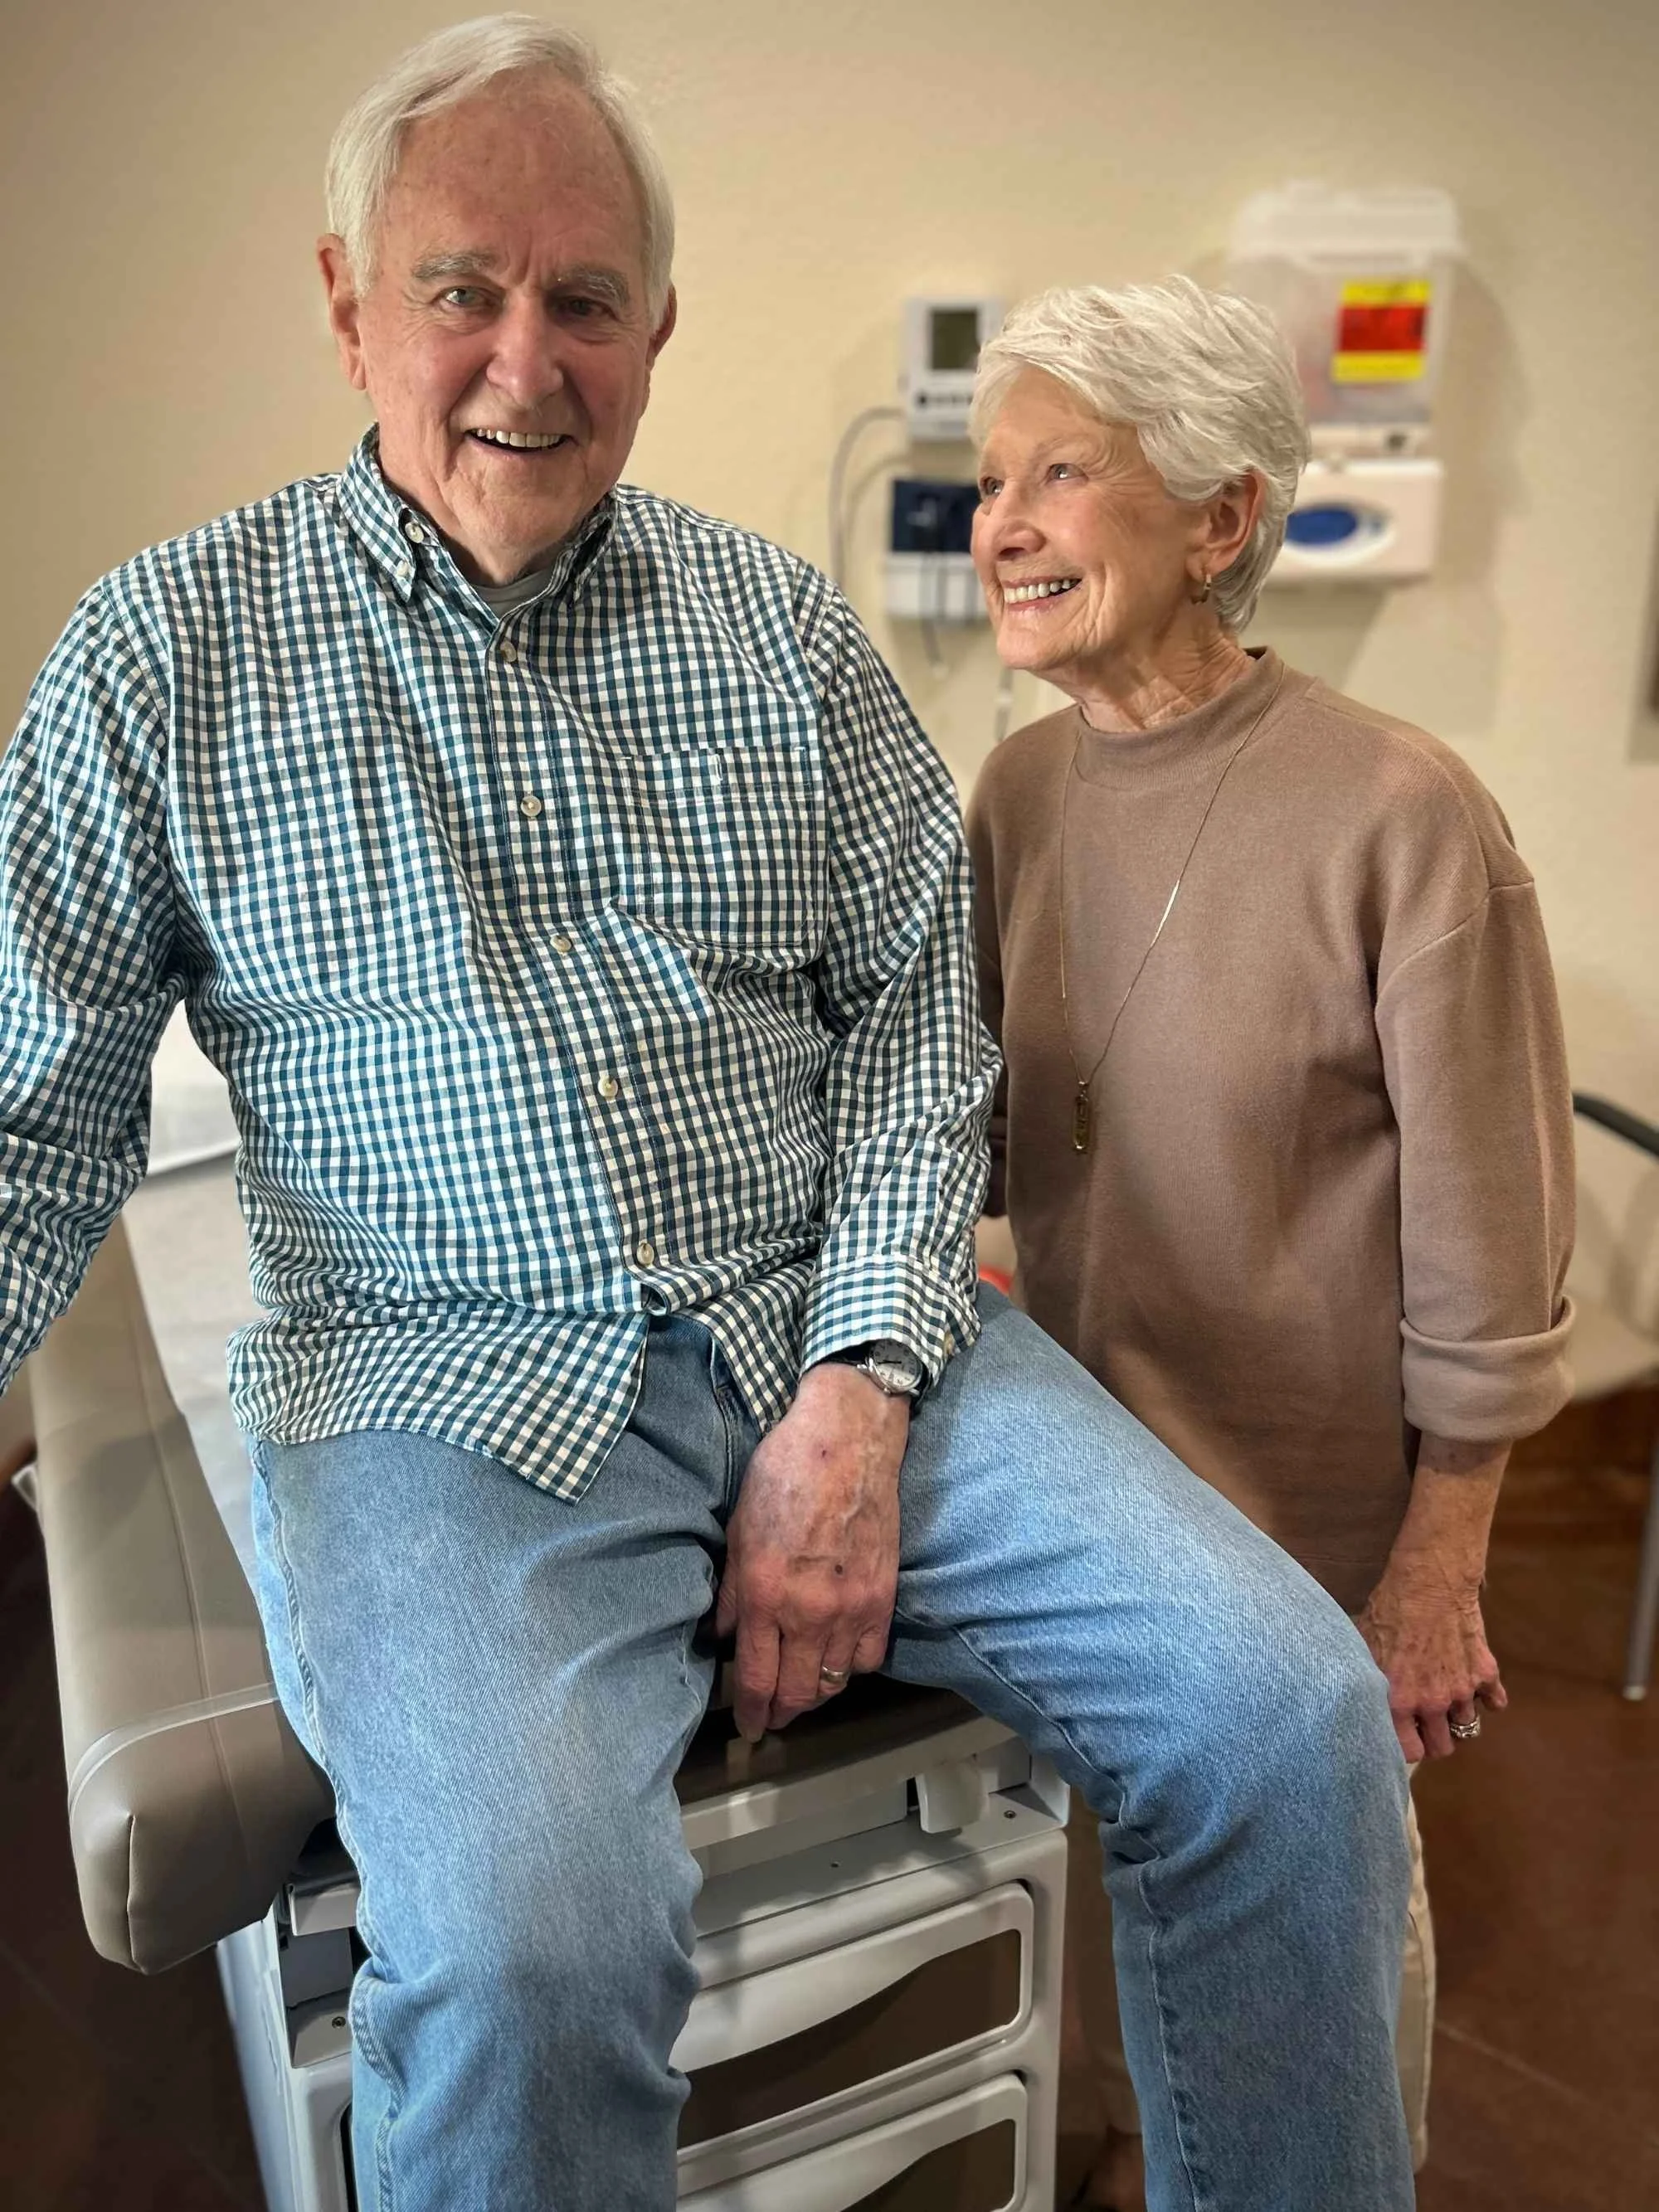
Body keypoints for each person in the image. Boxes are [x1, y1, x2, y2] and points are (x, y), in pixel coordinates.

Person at [0, 27, 1416, 2210]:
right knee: (533, 1943)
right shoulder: (161, 657)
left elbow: (916, 1029)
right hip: (435, 1380)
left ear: (657, 330)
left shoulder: (781, 638)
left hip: (825, 1316)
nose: (522, 362)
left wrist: (860, 1382)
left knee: (1287, 1717)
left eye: (586, 301)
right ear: (346, 300)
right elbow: (33, 1106)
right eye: (462, 288)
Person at [965, 278, 1574, 2209]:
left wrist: (1434, 1573)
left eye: (1063, 472)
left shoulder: (1401, 813)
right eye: (990, 478)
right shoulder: (1022, 787)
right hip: (1085, 1505)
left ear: (1221, 518)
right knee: (1111, 1982)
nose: (1002, 525)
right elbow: (992, 1126)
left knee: (1309, 1988)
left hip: (1306, 1528)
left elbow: (1493, 1250)